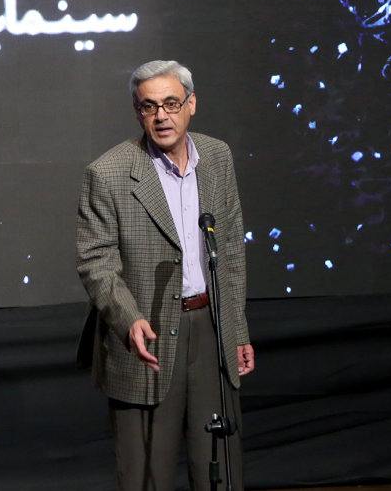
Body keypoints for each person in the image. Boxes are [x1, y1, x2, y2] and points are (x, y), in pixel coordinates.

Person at [76, 59, 255, 490]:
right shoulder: (108, 172)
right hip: (147, 336)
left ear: (191, 104)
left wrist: (237, 329)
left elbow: (230, 249)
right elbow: (96, 261)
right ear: (137, 112)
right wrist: (128, 319)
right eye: (149, 106)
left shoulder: (217, 157)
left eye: (171, 103)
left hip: (210, 329)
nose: (161, 116)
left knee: (219, 466)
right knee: (146, 475)